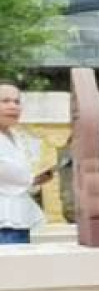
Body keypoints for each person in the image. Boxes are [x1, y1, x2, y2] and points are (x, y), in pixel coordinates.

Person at [0, 82, 48, 245]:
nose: (13, 106)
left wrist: (37, 179)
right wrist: (32, 179)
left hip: (19, 217)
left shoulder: (17, 137)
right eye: (5, 101)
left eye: (17, 102)